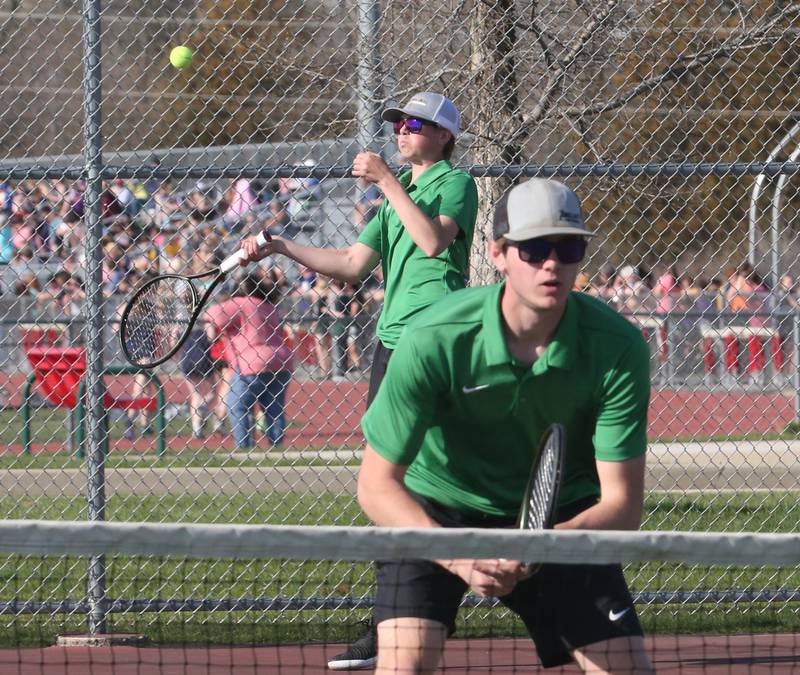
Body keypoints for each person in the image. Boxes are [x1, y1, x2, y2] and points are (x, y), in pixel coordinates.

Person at [357, 178, 653, 675]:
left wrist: (537, 545)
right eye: (535, 248)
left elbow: (622, 506)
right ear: (497, 253)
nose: (552, 263)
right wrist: (460, 557)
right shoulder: (434, 338)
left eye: (569, 246)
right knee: (405, 665)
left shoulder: (617, 347)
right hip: (438, 507)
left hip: (558, 519)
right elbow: (375, 485)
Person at [239, 91, 478, 670]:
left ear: (443, 137)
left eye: (416, 124)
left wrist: (387, 182)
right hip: (393, 347)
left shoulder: (454, 183)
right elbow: (350, 265)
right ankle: (394, 618)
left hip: (438, 342)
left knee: (435, 476)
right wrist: (280, 246)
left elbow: (432, 241)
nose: (402, 130)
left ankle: (445, 594)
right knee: (388, 480)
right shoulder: (394, 200)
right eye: (398, 123)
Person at [204, 272, 293, 449]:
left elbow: (212, 314)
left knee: (237, 406)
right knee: (273, 408)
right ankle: (277, 447)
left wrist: (210, 329)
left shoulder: (240, 303)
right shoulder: (268, 304)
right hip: (281, 362)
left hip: (252, 362)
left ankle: (244, 447)